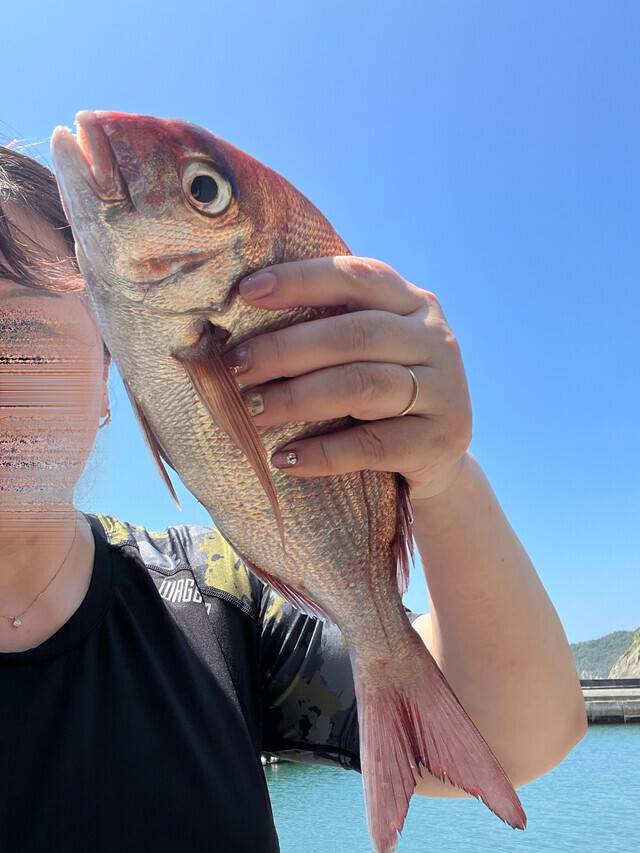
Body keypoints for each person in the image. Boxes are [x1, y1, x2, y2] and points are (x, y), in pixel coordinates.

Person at [0, 144, 587, 852]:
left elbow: (518, 732)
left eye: (16, 327)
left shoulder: (214, 600)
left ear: (108, 373)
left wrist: (440, 471)